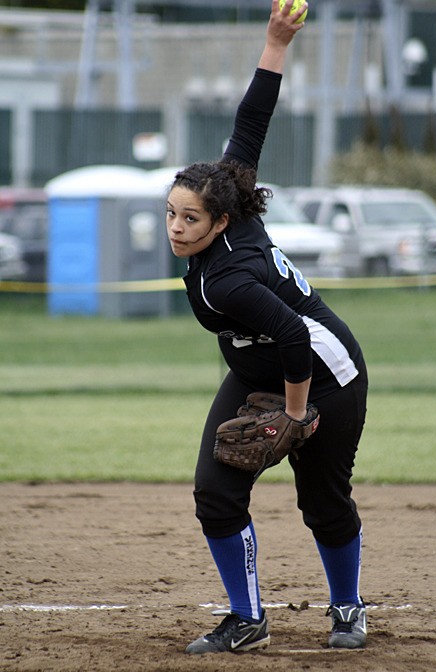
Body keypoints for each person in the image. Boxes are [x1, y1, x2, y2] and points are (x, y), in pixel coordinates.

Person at [166, 0, 368, 655]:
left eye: (189, 219)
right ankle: (246, 618)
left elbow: (294, 335)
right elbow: (252, 120)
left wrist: (295, 415)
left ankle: (347, 609)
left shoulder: (229, 277)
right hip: (259, 365)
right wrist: (276, 42)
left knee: (322, 501)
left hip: (325, 374)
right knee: (215, 493)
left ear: (220, 222)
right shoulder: (228, 200)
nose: (176, 227)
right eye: (171, 213)